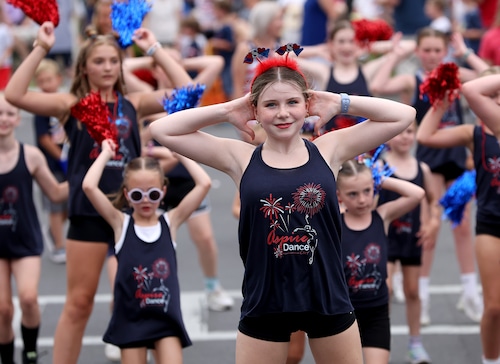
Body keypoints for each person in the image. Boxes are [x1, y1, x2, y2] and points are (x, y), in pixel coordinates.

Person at [149, 49, 416, 363]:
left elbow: (404, 115)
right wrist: (228, 110)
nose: (283, 113)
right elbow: (162, 130)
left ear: (306, 105)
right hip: (266, 299)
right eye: (270, 105)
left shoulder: (329, 149)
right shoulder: (240, 157)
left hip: (326, 294)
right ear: (256, 111)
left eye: (292, 102)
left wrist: (340, 102)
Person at [5, 20, 195, 364]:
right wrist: (41, 47)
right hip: (89, 213)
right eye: (98, 61)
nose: (107, 67)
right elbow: (15, 95)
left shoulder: (133, 103)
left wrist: (154, 48)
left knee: (136, 297)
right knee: (79, 303)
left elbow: (189, 91)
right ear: (84, 66)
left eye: (113, 61)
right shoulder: (71, 103)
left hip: (136, 215)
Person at [370, 27, 487, 325]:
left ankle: (470, 292)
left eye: (438, 50)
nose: (433, 56)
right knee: (429, 231)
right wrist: (397, 53)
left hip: (458, 156)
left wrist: (465, 54)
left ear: (445, 51)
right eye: (427, 50)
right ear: (419, 51)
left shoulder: (456, 73)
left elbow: (490, 75)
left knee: (461, 227)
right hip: (430, 156)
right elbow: (378, 83)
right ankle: (421, 297)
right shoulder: (414, 80)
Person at [82, 139, 211, 364]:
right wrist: (105, 154)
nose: (145, 201)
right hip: (131, 318)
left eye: (152, 194)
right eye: (136, 195)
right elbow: (89, 187)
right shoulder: (120, 224)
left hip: (165, 317)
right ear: (126, 193)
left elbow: (204, 183)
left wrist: (180, 154)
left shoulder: (170, 222)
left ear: (163, 191)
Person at [417, 71, 500, 364]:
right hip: (492, 224)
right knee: (494, 308)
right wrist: (440, 102)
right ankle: (491, 361)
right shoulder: (475, 133)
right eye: (493, 97)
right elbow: (424, 136)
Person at [0, 94, 68, 364]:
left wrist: (87, 176)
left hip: (25, 240)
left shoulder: (31, 155)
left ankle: (29, 354)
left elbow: (55, 193)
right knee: (2, 310)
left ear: (18, 119)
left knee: (28, 299)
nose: (3, 119)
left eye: (8, 114)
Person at [337, 159, 425, 364]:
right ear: (339, 195)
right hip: (343, 311)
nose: (362, 199)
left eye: (367, 191)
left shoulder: (382, 216)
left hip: (376, 312)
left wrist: (379, 178)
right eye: (353, 194)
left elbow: (417, 194)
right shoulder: (335, 220)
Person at [377, 121, 440, 364]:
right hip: (386, 238)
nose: (405, 137)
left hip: (412, 237)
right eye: (400, 132)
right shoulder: (380, 166)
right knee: (387, 289)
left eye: (410, 132)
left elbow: (434, 200)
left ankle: (415, 345)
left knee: (412, 291)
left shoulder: (421, 168)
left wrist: (433, 222)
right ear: (390, 136)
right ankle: (381, 344)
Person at [32, 59, 68, 264]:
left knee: (70, 205)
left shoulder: (64, 102)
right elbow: (44, 138)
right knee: (55, 204)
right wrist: (61, 157)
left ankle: (52, 231)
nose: (46, 84)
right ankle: (58, 246)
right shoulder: (41, 107)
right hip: (50, 164)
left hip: (69, 160)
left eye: (49, 80)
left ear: (58, 79)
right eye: (41, 81)